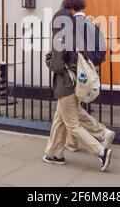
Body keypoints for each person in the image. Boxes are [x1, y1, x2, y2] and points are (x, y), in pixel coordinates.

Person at [43, 9, 112, 172]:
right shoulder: (75, 38)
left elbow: (57, 65)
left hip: (65, 87)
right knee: (59, 121)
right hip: (74, 85)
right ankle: (55, 154)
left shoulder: (60, 38)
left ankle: (101, 152)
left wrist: (48, 59)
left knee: (72, 125)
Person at [61, 0, 114, 153]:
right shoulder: (92, 25)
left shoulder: (70, 26)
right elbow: (102, 51)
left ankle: (100, 135)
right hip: (89, 71)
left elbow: (65, 52)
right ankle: (72, 142)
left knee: (70, 107)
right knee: (72, 108)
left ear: (70, 8)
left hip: (74, 72)